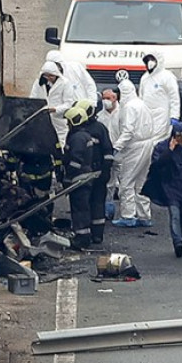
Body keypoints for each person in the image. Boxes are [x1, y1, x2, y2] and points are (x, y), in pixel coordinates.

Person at [142, 121, 182, 258]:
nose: (181, 139)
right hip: (170, 186)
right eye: (178, 136)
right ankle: (177, 242)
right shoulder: (162, 147)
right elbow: (156, 165)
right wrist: (169, 151)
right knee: (175, 214)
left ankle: (181, 240)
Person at [112, 79, 157, 227]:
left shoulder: (129, 107)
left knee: (127, 181)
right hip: (148, 144)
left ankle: (128, 216)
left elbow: (128, 130)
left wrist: (117, 146)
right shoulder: (141, 103)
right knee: (141, 182)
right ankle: (144, 216)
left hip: (135, 147)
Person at [75, 99, 113, 244]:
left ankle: (95, 235)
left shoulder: (98, 129)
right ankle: (88, 235)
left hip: (95, 173)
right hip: (89, 173)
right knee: (88, 204)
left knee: (94, 204)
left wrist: (105, 171)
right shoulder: (89, 130)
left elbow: (108, 151)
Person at [63, 106, 95, 249]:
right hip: (85, 176)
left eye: (68, 122)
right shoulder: (84, 135)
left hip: (79, 178)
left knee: (79, 209)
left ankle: (81, 238)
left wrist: (68, 178)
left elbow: (75, 161)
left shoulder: (77, 138)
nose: (67, 124)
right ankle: (84, 236)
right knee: (83, 208)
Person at [139, 50, 180, 140]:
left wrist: (174, 116)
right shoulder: (144, 78)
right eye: (147, 60)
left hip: (162, 116)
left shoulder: (167, 77)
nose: (149, 62)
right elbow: (141, 97)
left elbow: (174, 98)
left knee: (159, 141)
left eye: (152, 59)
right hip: (147, 117)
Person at [30, 50, 98, 103]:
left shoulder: (75, 68)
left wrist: (92, 102)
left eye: (56, 64)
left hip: (79, 109)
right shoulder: (43, 78)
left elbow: (89, 84)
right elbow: (34, 95)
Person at [38, 61, 76, 146]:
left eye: (51, 75)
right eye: (46, 75)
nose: (49, 78)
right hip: (42, 120)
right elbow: (33, 97)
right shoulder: (39, 83)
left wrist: (55, 109)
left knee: (61, 144)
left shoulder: (65, 83)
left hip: (59, 121)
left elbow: (69, 103)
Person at [97, 88, 122, 218]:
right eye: (104, 98)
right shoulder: (100, 117)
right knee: (109, 182)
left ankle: (128, 211)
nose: (106, 101)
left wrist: (118, 146)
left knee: (126, 182)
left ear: (115, 98)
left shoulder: (122, 113)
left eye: (109, 98)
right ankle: (108, 206)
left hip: (122, 152)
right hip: (106, 153)